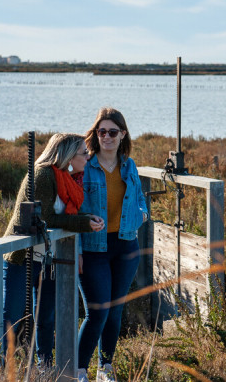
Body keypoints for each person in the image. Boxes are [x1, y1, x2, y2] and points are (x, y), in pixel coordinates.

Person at [1, 133, 104, 366]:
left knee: (46, 317)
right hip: (22, 257)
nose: (88, 157)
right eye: (83, 152)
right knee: (12, 320)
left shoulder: (66, 177)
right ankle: (0, 370)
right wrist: (83, 223)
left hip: (47, 258)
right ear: (68, 155)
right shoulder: (43, 174)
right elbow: (45, 217)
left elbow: (65, 214)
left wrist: (85, 218)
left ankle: (44, 368)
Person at [76, 107, 149, 382]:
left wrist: (143, 213)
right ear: (96, 134)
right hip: (94, 249)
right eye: (102, 131)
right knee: (98, 311)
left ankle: (104, 368)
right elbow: (74, 209)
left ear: (123, 134)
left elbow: (140, 197)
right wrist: (79, 248)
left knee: (116, 310)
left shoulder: (129, 166)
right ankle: (80, 371)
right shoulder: (86, 166)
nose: (106, 136)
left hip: (125, 246)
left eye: (112, 132)